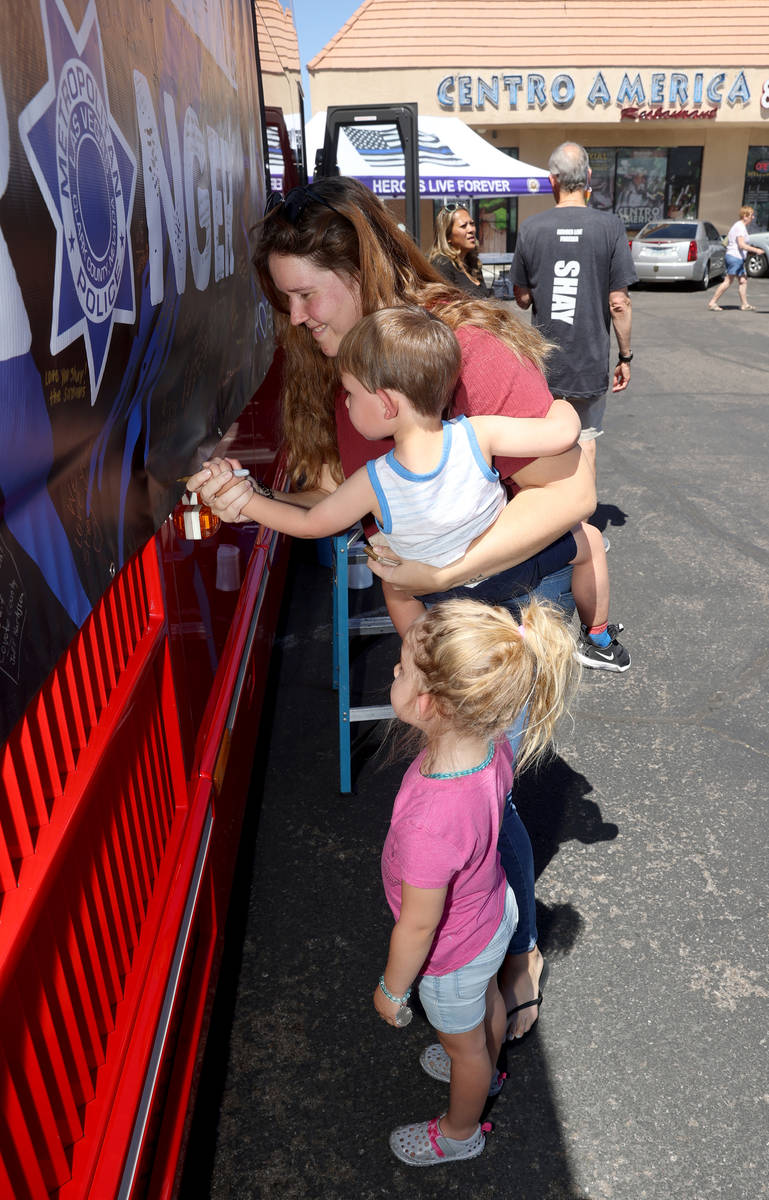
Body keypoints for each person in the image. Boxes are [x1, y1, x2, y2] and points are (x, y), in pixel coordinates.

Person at [191, 176, 597, 1037]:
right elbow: (339, 500)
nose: (294, 317)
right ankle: (489, 944)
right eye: (282, 298)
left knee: (479, 791)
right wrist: (246, 494)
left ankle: (513, 948)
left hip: (510, 594)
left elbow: (568, 494)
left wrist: (436, 568)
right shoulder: (348, 372)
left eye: (305, 293)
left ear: (358, 269)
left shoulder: (457, 350)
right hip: (437, 605)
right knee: (473, 789)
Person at [193, 306, 629, 671]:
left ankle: (422, 659)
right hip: (507, 572)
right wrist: (564, 408)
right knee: (587, 538)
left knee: (394, 585)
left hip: (437, 593)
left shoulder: (374, 479)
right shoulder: (480, 434)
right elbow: (559, 434)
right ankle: (598, 637)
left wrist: (248, 498)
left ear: (385, 404)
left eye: (348, 394)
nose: (343, 404)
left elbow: (310, 522)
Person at [375, 596, 579, 1165]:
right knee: (487, 1002)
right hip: (493, 917)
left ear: (429, 703)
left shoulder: (429, 823)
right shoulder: (492, 746)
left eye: (400, 671)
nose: (394, 674)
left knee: (464, 1048)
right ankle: (481, 1060)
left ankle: (460, 1130)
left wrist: (392, 991)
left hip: (452, 954)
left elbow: (418, 926)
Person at [512, 141, 637, 483]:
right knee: (585, 441)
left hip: (545, 362)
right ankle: (585, 529)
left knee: (547, 443)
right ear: (589, 178)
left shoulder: (530, 229)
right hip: (589, 362)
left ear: (552, 180)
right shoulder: (610, 227)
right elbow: (619, 303)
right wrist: (625, 357)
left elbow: (521, 298)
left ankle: (555, 525)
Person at [708, 206, 766, 311]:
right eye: (751, 215)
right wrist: (756, 250)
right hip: (734, 258)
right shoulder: (739, 227)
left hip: (737, 258)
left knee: (743, 280)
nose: (753, 217)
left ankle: (744, 304)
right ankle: (712, 302)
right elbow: (741, 245)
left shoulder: (740, 226)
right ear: (745, 216)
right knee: (728, 281)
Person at [428, 204, 492, 297]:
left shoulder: (473, 263)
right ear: (448, 236)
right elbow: (443, 308)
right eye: (463, 226)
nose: (471, 230)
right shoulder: (442, 265)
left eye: (472, 224)